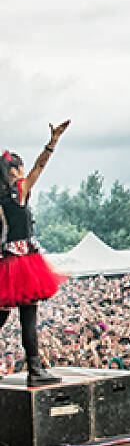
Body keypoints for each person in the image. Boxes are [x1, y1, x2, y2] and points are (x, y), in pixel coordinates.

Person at [0, 120, 70, 386]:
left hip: (5, 262)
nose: (24, 171)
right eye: (20, 167)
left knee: (3, 315)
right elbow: (40, 166)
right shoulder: (19, 192)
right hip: (23, 263)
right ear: (14, 170)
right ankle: (35, 370)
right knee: (28, 317)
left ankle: (36, 369)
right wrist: (52, 142)